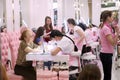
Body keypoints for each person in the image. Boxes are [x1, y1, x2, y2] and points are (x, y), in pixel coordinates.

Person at [99, 10, 119, 80]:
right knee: (107, 75)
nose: (113, 18)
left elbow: (114, 42)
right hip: (106, 54)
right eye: (111, 16)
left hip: (106, 54)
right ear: (108, 17)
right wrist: (117, 32)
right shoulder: (106, 28)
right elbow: (113, 43)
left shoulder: (105, 27)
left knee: (107, 75)